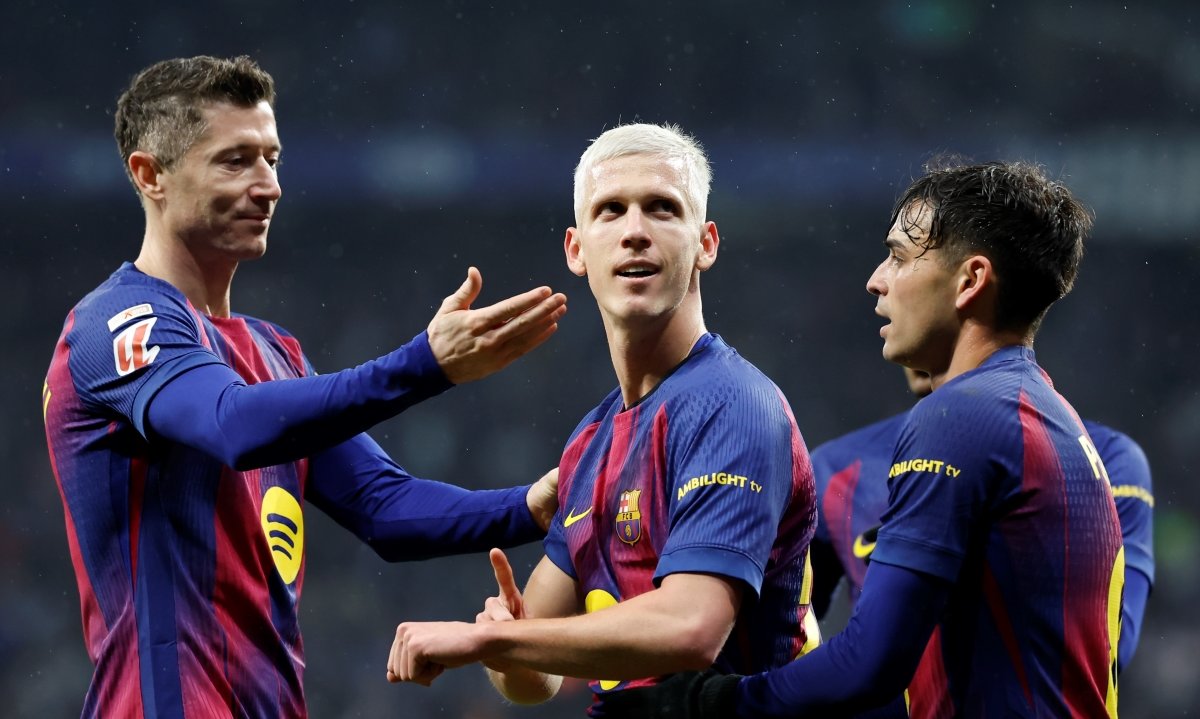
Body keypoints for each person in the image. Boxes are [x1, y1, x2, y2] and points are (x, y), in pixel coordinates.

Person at [42, 55, 568, 718]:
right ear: (151, 175)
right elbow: (232, 425)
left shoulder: (275, 350)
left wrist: (533, 505)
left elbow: (385, 506)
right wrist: (423, 364)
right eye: (236, 161)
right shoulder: (114, 323)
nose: (269, 186)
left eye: (273, 158)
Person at [597, 159, 1127, 718]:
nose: (876, 278)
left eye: (899, 256)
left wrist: (707, 703)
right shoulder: (1045, 415)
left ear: (970, 281)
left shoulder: (961, 417)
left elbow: (870, 664)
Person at [385, 123, 819, 714]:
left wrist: (495, 637)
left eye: (663, 209)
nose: (635, 231)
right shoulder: (589, 443)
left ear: (706, 243)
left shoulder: (734, 405)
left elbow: (691, 628)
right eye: (610, 211)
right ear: (576, 250)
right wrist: (505, 646)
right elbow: (532, 679)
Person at [811, 369, 1154, 678]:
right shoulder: (835, 468)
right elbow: (786, 635)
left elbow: (1109, 649)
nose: (882, 296)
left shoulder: (1104, 456)